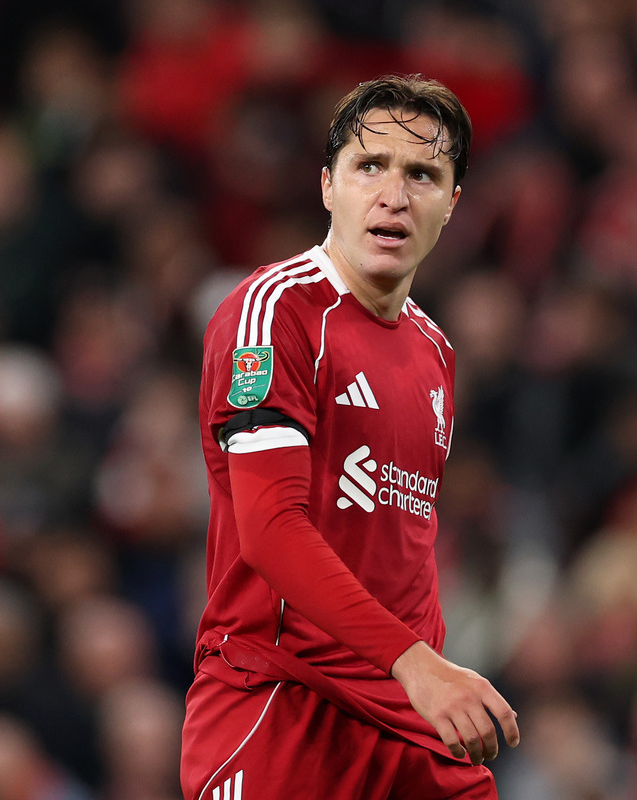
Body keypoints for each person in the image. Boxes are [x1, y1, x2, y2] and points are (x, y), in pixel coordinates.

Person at [180, 74, 521, 800]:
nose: (394, 194)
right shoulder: (274, 311)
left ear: (452, 206)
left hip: (402, 726)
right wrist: (418, 664)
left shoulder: (435, 351)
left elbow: (403, 548)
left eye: (423, 174)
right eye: (372, 166)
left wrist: (428, 671)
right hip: (280, 708)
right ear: (329, 184)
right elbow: (271, 530)